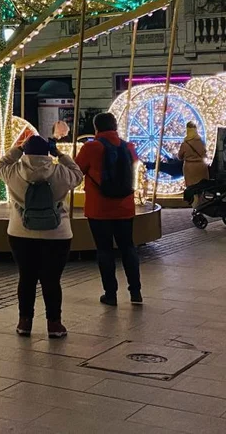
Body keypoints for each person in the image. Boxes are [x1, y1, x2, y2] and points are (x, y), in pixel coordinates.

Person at [0, 135, 83, 339]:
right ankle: (54, 324)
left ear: (25, 152)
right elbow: (78, 175)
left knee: (26, 278)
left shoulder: (12, 172)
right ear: (48, 152)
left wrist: (17, 149)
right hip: (57, 234)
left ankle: (24, 322)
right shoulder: (60, 172)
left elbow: (2, 163)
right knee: (51, 280)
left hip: (20, 233)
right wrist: (60, 155)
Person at [76, 112, 142, 306]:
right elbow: (134, 164)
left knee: (104, 250)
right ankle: (136, 292)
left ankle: (110, 294)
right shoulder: (128, 146)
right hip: (125, 207)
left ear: (96, 128)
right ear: (115, 126)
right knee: (128, 247)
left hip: (99, 208)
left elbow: (77, 170)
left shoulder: (91, 147)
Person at [178, 122, 209, 208]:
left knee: (192, 188)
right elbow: (204, 153)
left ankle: (196, 207)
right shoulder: (201, 142)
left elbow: (180, 156)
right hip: (202, 167)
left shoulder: (185, 144)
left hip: (190, 168)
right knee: (201, 187)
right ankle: (202, 205)